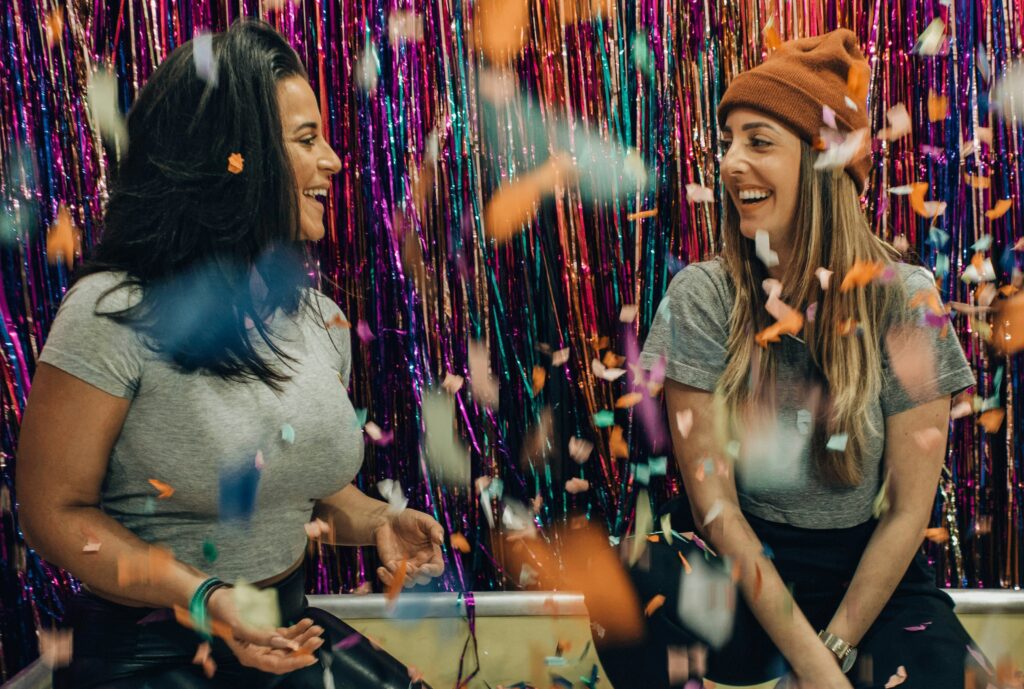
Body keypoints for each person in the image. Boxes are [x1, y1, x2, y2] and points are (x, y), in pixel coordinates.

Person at [16, 20, 443, 689]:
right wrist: (202, 594)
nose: (333, 160)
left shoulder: (316, 316)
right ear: (233, 157)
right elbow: (51, 512)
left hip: (285, 632)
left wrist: (379, 521)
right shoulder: (111, 311)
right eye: (306, 140)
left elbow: (302, 490)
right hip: (150, 656)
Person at [594, 29, 996, 689]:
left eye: (758, 142)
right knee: (632, 578)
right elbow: (714, 504)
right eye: (727, 142)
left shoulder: (907, 301)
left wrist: (833, 649)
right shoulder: (703, 295)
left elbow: (905, 515)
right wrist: (812, 666)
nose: (729, 163)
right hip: (749, 577)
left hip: (871, 580)